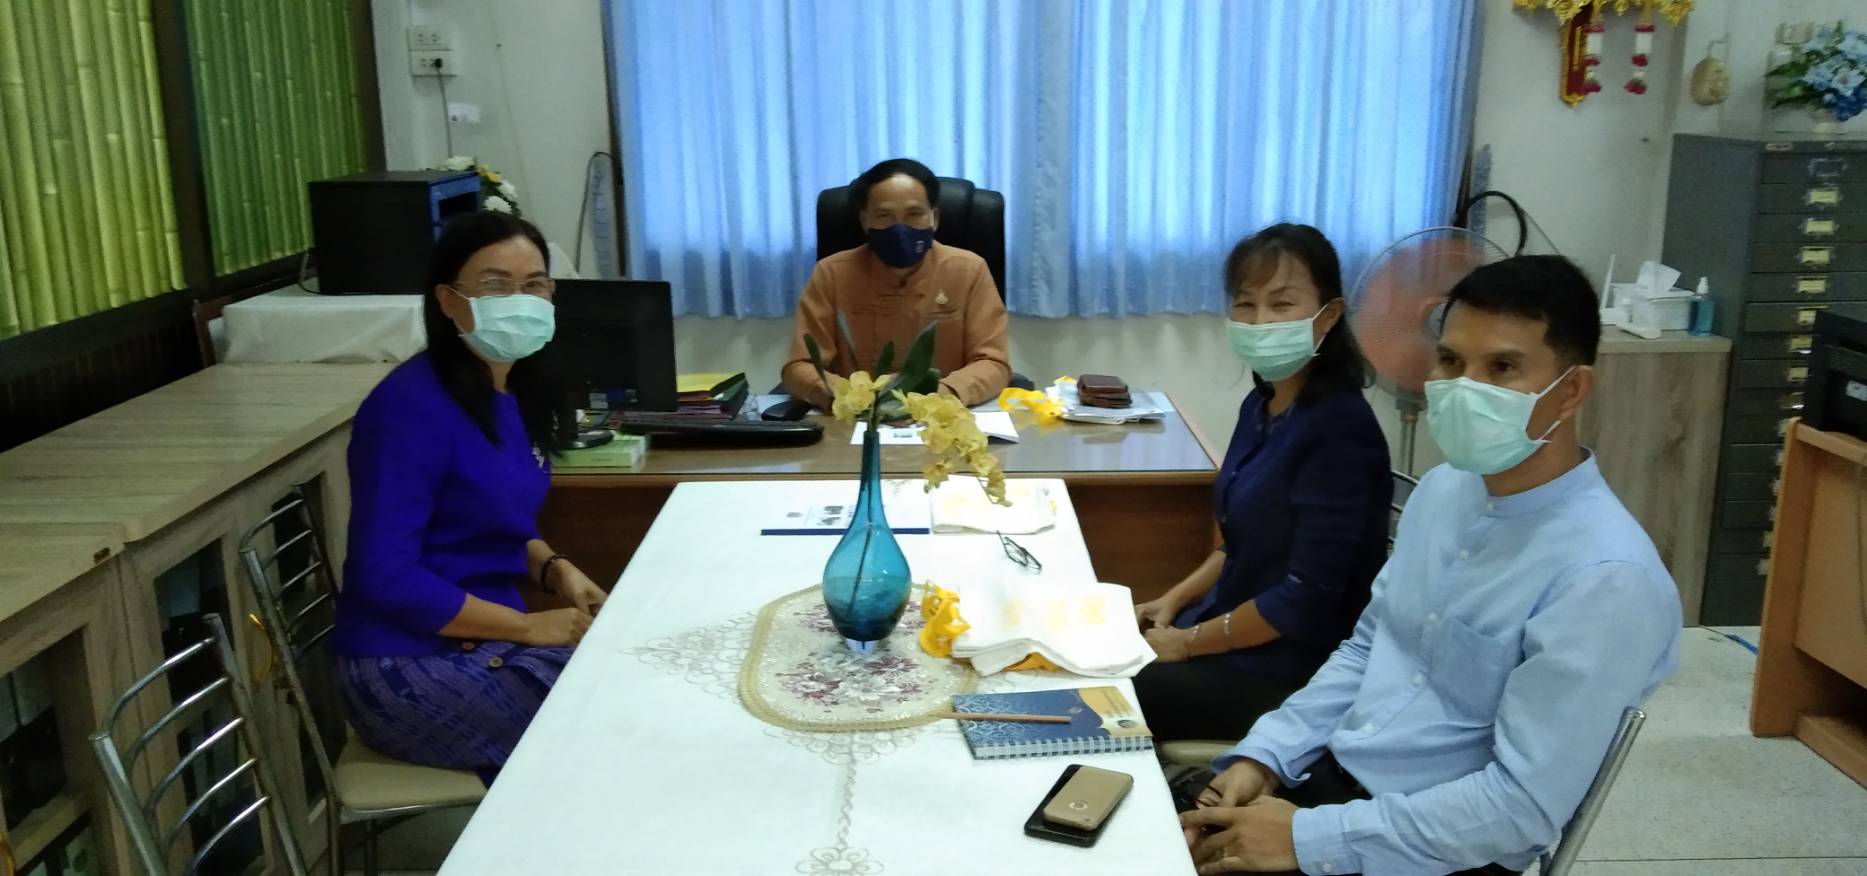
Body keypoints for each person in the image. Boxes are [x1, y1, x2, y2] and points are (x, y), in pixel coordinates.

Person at [1178, 255, 1682, 876]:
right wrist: (1266, 755)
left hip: (1442, 850)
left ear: (1572, 390)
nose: (1465, 387)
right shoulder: (1445, 491)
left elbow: (1521, 808)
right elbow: (1370, 648)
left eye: (1502, 368)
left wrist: (1310, 838)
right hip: (1336, 790)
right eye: (1450, 361)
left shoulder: (1606, 577)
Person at [334, 212, 609, 783]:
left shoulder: (510, 390)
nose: (520, 301)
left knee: (636, 673)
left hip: (482, 641)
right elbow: (383, 575)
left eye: (534, 285)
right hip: (407, 666)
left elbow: (482, 512)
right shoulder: (409, 407)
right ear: (448, 300)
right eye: (494, 285)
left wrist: (552, 565)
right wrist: (527, 628)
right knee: (618, 714)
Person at [1131, 224, 1392, 744]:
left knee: (1115, 693)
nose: (1259, 321)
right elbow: (1241, 540)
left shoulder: (1340, 430)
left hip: (1293, 670)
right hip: (1232, 629)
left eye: (1282, 304)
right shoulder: (1263, 403)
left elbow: (1303, 600)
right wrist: (1173, 599)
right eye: (1245, 304)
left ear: (1328, 316)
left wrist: (1187, 643)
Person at [780, 158, 1011, 407]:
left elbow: (993, 363)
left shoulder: (969, 270)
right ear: (865, 220)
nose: (900, 229)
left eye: (914, 214)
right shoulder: (832, 273)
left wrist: (940, 393)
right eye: (884, 215)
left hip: (940, 414)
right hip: (856, 417)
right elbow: (799, 366)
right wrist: (843, 394)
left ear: (934, 218)